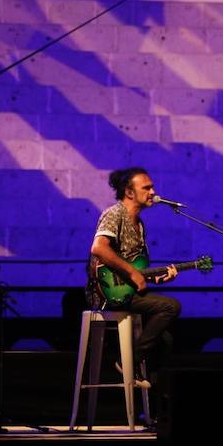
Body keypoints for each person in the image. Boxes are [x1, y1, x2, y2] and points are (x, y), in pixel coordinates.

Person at [87, 167, 180, 389]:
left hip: (128, 292)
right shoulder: (115, 213)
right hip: (106, 294)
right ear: (129, 192)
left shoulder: (139, 225)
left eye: (152, 187)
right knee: (170, 307)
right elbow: (98, 248)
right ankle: (129, 362)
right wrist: (132, 273)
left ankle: (156, 412)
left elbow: (139, 268)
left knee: (165, 341)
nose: (153, 192)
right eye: (146, 187)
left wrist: (158, 278)